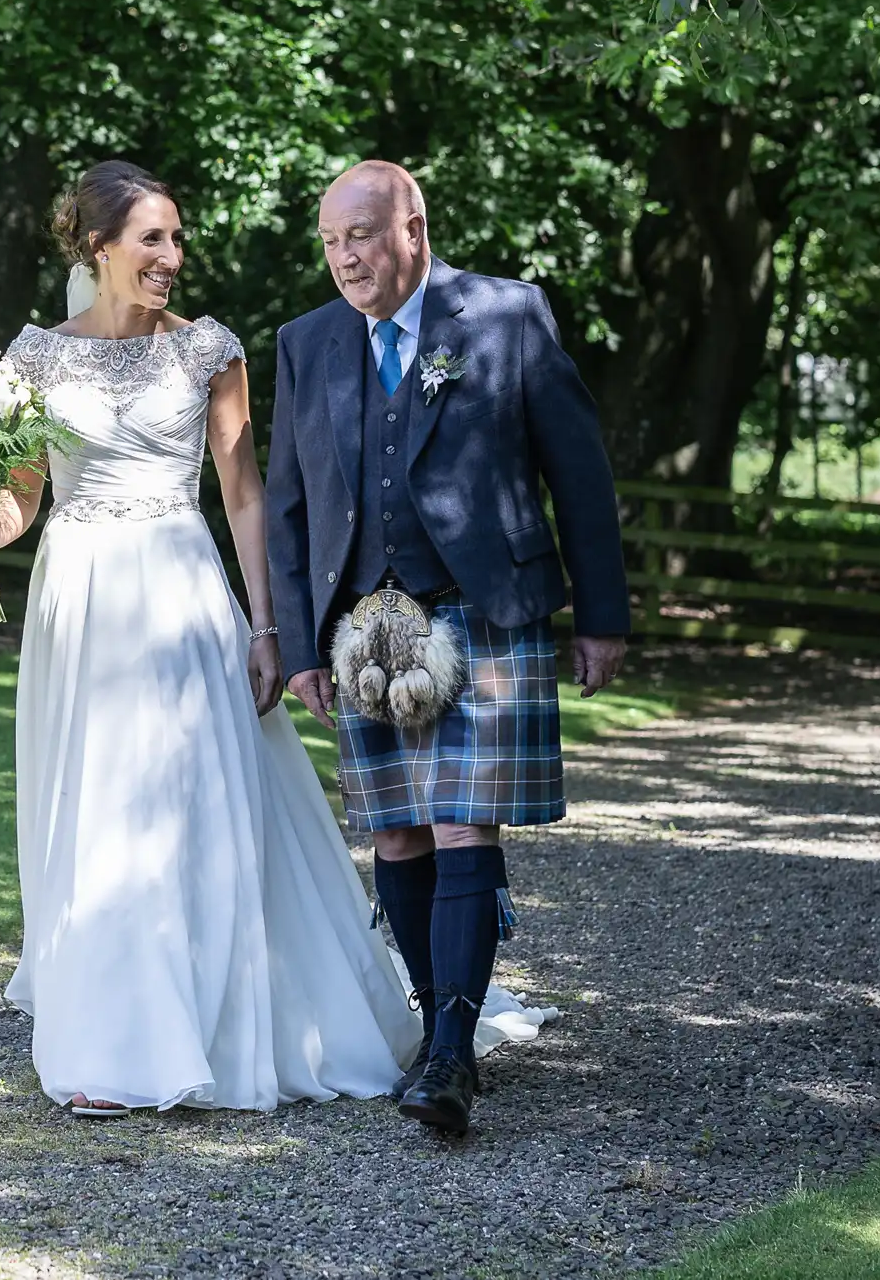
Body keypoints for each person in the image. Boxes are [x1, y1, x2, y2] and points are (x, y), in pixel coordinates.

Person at [0, 160, 417, 1114]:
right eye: (152, 239)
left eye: (176, 237)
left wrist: (270, 625)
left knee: (189, 798)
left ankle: (219, 1014)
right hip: (80, 599)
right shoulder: (36, 357)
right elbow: (27, 494)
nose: (172, 256)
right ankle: (114, 1037)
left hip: (183, 592)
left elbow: (245, 497)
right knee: (99, 808)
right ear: (99, 247)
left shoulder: (210, 349)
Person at [265, 160, 630, 1134]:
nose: (344, 257)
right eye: (330, 241)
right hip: (366, 632)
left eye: (362, 235)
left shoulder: (504, 315)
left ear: (412, 230)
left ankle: (449, 1059)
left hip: (487, 608)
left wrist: (600, 614)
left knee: (466, 821)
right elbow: (289, 507)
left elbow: (578, 473)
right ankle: (439, 1033)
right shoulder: (305, 343)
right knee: (396, 833)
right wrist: (301, 642)